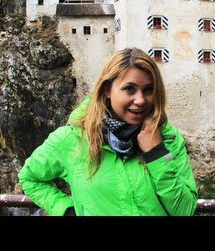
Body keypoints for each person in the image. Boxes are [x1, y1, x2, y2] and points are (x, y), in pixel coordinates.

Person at [18, 47, 198, 216]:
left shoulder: (168, 139)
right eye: (130, 89)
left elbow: (185, 211)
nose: (141, 100)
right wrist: (66, 210)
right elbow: (29, 178)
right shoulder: (73, 138)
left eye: (148, 90)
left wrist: (157, 154)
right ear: (107, 90)